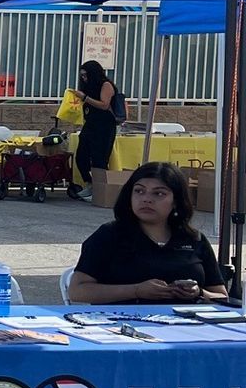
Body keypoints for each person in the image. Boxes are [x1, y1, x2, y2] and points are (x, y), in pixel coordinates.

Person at [71, 163, 225, 305]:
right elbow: (77, 291)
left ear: (176, 201)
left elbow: (222, 297)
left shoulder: (194, 239)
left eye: (159, 194)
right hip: (120, 324)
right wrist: (135, 290)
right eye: (139, 191)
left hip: (188, 326)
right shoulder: (109, 235)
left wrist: (198, 293)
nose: (146, 199)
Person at [69, 60, 122, 200]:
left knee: (100, 158)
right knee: (81, 156)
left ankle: (100, 189)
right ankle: (90, 183)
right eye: (82, 76)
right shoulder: (88, 86)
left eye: (86, 75)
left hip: (104, 126)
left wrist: (85, 98)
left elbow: (104, 105)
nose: (84, 79)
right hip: (90, 124)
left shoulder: (106, 85)